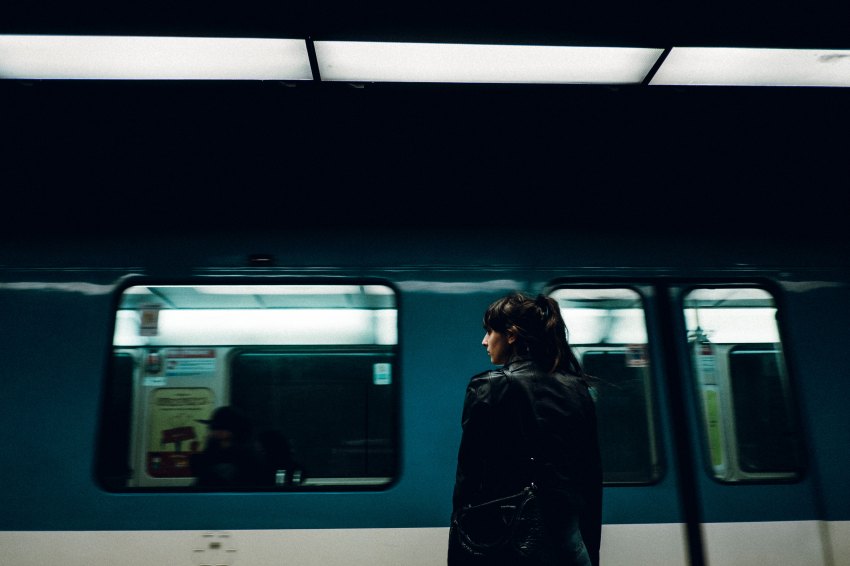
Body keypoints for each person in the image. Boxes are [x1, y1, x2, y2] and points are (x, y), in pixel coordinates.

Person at [448, 292, 603, 566]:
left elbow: (469, 483)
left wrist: (460, 554)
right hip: (570, 542)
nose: (484, 341)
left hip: (512, 544)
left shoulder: (489, 388)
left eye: (489, 331)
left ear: (511, 335)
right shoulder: (577, 389)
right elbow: (590, 478)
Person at [190, 406, 264, 489]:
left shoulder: (247, 454)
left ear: (235, 429)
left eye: (221, 428)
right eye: (213, 428)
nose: (214, 431)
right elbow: (203, 479)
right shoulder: (211, 451)